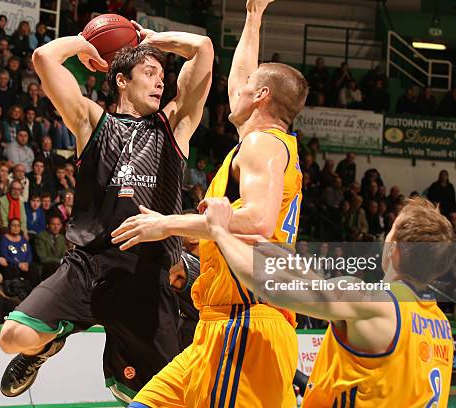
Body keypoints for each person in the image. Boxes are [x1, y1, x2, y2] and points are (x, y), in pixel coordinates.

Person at [0, 20, 213, 402]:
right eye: (149, 72)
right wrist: (83, 44)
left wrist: (151, 41)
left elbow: (204, 48)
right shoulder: (94, 122)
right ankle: (45, 348)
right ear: (121, 81)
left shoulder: (174, 125)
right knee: (12, 338)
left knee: (146, 397)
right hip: (88, 265)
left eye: (162, 75)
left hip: (145, 279)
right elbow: (44, 58)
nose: (160, 82)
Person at [115, 0, 307, 405]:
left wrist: (166, 225)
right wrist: (253, 18)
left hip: (245, 325)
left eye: (246, 89)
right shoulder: (264, 144)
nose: (233, 93)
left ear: (261, 96)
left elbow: (256, 220)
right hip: (218, 326)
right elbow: (242, 80)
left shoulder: (261, 146)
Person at [200, 196, 455, 407]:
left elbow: (272, 287)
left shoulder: (373, 304)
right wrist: (283, 258)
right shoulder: (441, 325)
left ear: (394, 249)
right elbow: (325, 290)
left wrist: (220, 231)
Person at [34, 215, 66, 280]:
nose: (56, 227)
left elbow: (63, 255)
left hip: (58, 266)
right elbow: (42, 258)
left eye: (58, 224)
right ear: (47, 226)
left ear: (61, 226)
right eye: (53, 224)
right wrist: (59, 261)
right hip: (45, 267)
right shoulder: (41, 236)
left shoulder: (62, 238)